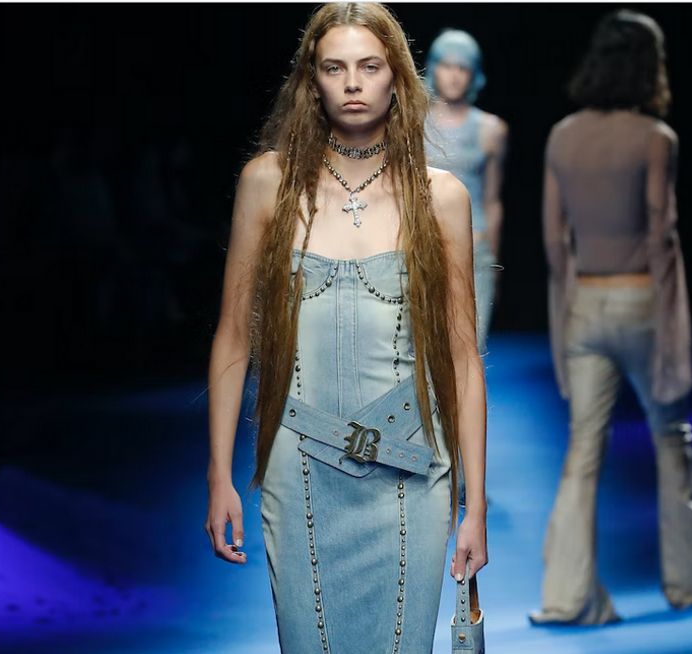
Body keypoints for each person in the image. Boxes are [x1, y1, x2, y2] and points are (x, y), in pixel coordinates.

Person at [204, 4, 488, 652]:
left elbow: (463, 357)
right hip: (299, 468)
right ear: (312, 81)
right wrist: (219, 475)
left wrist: (475, 506)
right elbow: (233, 336)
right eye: (334, 68)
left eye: (369, 66)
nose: (353, 83)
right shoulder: (267, 184)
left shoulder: (441, 197)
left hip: (412, 472)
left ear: (397, 79)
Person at [531, 10, 692, 626]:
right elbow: (662, 238)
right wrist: (676, 335)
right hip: (642, 302)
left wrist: (565, 314)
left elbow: (554, 241)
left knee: (582, 450)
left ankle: (568, 597)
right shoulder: (657, 138)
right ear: (650, 67)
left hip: (584, 306)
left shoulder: (562, 136)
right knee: (672, 442)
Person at [424, 29, 508, 353]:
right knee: (424, 349)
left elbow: (493, 199)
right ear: (434, 68)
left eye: (463, 67)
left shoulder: (491, 129)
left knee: (470, 346)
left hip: (475, 249)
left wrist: (494, 262)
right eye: (447, 65)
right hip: (424, 245)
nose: (454, 75)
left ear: (474, 74)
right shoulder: (412, 123)